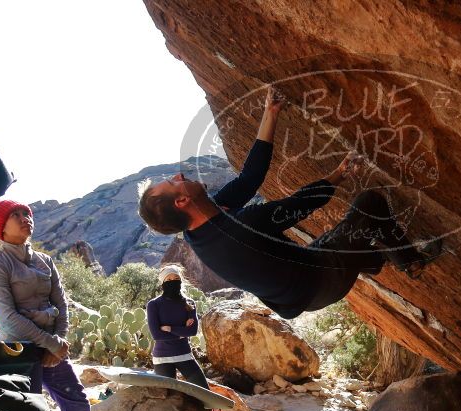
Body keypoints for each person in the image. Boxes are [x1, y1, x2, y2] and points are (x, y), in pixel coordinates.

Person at [138, 86, 438, 320]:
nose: (179, 174)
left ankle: (370, 259)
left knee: (344, 244)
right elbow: (301, 204)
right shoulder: (242, 228)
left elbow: (250, 178)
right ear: (182, 200)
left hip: (300, 287)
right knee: (369, 203)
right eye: (174, 181)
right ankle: (411, 262)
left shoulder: (199, 225)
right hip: (321, 280)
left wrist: (271, 112)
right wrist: (339, 175)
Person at [0, 199, 98, 411]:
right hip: (17, 351)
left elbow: (62, 304)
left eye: (26, 214)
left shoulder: (45, 261)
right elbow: (8, 317)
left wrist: (59, 341)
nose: (25, 218)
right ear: (0, 228)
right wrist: (52, 344)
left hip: (52, 349)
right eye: (16, 215)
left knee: (78, 406)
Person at [146, 264, 209, 389]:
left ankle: (211, 410)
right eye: (168, 280)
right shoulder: (154, 304)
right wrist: (181, 333)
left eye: (176, 278)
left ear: (180, 280)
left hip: (184, 354)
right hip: (162, 358)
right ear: (163, 283)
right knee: (168, 396)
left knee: (204, 392)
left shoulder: (189, 303)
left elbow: (192, 331)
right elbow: (157, 335)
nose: (172, 282)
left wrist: (170, 329)